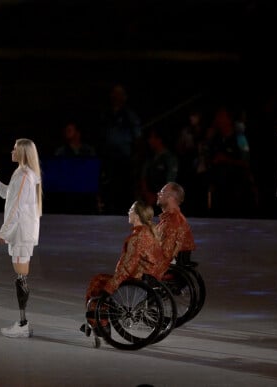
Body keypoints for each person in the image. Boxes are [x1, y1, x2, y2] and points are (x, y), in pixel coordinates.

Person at [0, 138, 43, 338]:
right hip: (20, 232)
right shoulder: (22, 173)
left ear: (23, 153)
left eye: (14, 149)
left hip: (21, 233)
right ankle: (23, 323)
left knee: (21, 277)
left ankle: (23, 324)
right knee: (20, 276)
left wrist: (3, 232)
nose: (11, 151)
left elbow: (15, 207)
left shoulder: (25, 175)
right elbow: (8, 195)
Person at [81, 200, 165, 334]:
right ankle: (98, 322)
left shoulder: (137, 238)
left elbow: (128, 266)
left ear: (137, 216)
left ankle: (99, 324)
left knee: (97, 282)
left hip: (134, 285)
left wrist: (111, 286)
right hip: (146, 282)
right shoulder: (150, 233)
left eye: (131, 210)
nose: (128, 212)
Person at [97, 84, 143, 215]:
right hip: (108, 159)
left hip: (125, 159)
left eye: (119, 93)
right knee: (109, 190)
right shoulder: (106, 114)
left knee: (124, 190)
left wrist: (136, 158)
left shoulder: (129, 115)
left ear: (124, 97)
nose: (116, 96)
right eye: (114, 93)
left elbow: (138, 137)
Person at [155, 182, 196, 266]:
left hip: (166, 269)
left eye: (162, 192)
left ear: (171, 198)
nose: (158, 194)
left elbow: (166, 254)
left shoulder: (174, 221)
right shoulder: (169, 219)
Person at [138, 127, 179, 210]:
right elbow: (143, 177)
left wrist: (157, 197)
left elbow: (170, 182)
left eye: (152, 138)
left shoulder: (169, 159)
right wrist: (147, 194)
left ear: (159, 140)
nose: (149, 141)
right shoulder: (150, 158)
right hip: (148, 200)